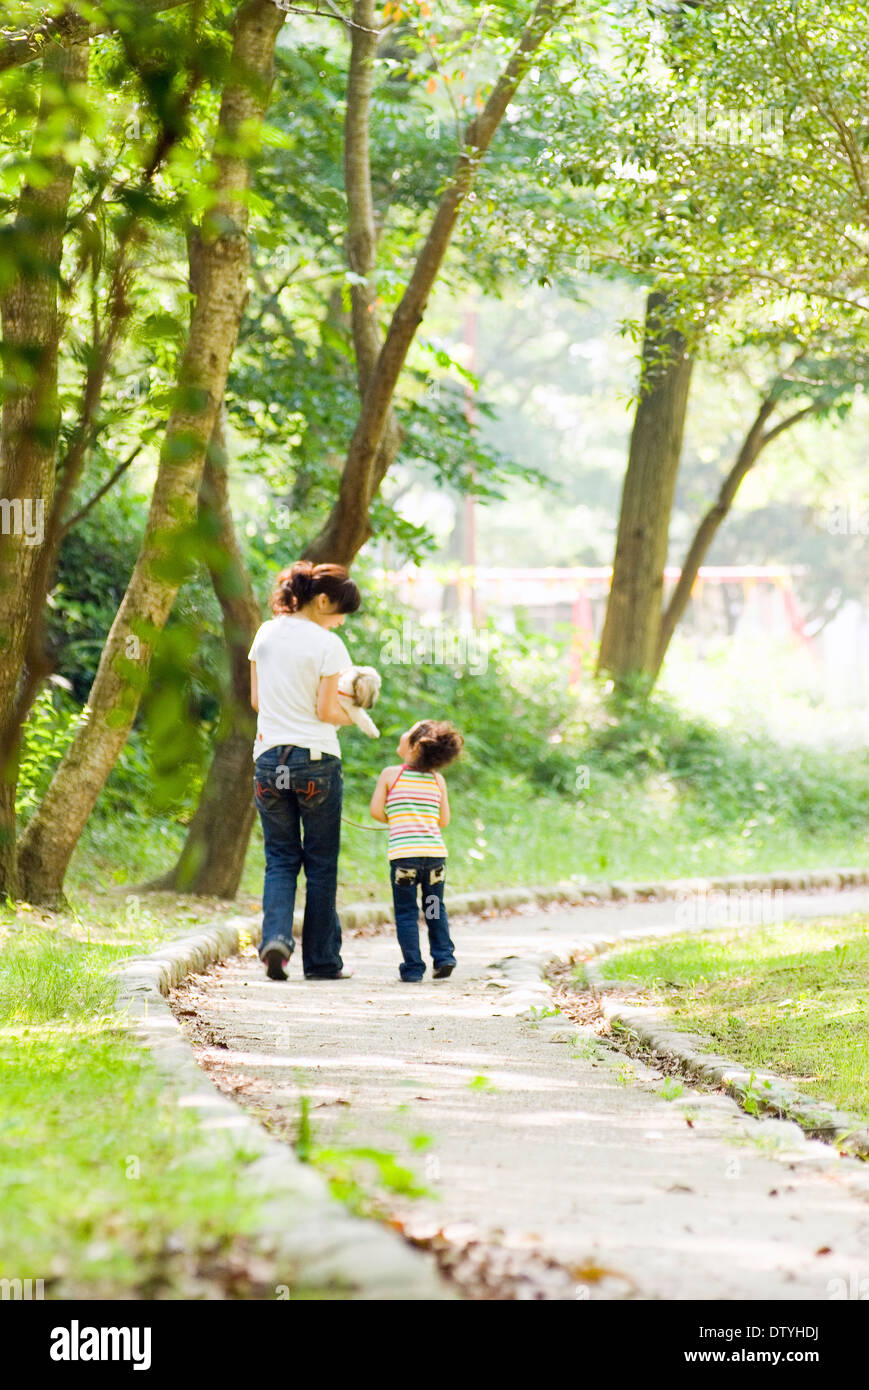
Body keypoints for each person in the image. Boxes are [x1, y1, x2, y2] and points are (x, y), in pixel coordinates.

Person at [249, 560, 360, 982]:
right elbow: (326, 710)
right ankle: (322, 961)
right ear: (323, 600)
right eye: (339, 614)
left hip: (269, 760)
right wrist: (356, 714)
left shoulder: (265, 632)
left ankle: (275, 938)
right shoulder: (327, 645)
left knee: (279, 858)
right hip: (315, 761)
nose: (340, 623)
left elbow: (257, 701)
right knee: (320, 863)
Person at [369, 719, 464, 982]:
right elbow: (443, 821)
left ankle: (412, 968)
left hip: (404, 857)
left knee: (406, 911)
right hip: (434, 856)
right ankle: (444, 957)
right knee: (434, 906)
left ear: (414, 746)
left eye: (408, 732)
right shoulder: (437, 780)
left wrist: (398, 819)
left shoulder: (391, 774)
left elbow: (377, 811)